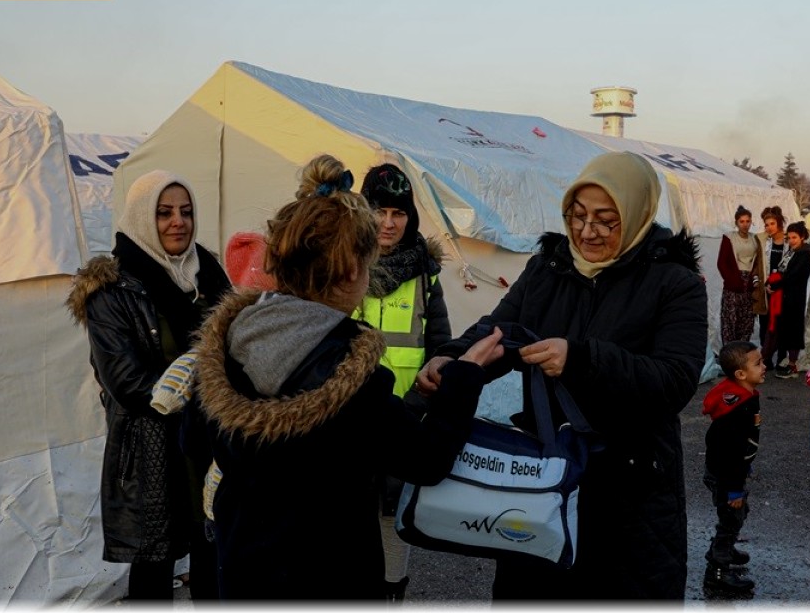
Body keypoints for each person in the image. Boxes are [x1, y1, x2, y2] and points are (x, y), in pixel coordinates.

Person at [187, 157, 505, 600]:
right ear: (355, 271)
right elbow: (426, 459)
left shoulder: (230, 342)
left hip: (244, 566)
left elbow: (192, 439)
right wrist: (466, 375)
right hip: (326, 574)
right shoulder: (348, 377)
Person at [416, 151, 708, 599]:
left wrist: (583, 358)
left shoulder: (674, 282)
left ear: (636, 215)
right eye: (577, 215)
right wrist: (453, 359)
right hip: (544, 479)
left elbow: (674, 379)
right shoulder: (548, 268)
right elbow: (500, 330)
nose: (586, 231)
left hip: (629, 491)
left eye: (606, 220)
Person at [67, 170, 232, 600]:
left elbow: (235, 347)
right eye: (163, 213)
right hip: (151, 451)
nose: (178, 222)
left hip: (205, 444)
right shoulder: (112, 291)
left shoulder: (209, 274)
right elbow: (126, 382)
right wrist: (201, 387)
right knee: (153, 575)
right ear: (143, 217)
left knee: (213, 561)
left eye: (186, 211)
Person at [353, 161, 451, 602]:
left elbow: (440, 348)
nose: (388, 223)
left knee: (393, 519)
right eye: (379, 211)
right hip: (348, 418)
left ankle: (392, 596)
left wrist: (418, 402)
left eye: (399, 213)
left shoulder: (426, 277)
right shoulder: (343, 266)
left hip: (405, 418)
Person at [701, 341, 766, 595]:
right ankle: (717, 571)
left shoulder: (744, 396)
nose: (764, 366)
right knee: (730, 520)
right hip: (727, 476)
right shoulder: (736, 410)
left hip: (731, 472)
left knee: (736, 515)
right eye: (758, 363)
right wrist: (734, 490)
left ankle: (724, 549)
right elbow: (729, 455)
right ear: (740, 374)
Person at [763, 221, 810, 379]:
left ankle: (791, 364)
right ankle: (766, 361)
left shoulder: (803, 255)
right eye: (789, 237)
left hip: (793, 299)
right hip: (783, 297)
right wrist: (769, 284)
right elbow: (781, 271)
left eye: (794, 237)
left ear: (802, 237)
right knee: (777, 330)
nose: (791, 240)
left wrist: (774, 285)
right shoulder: (792, 252)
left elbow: (792, 276)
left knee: (789, 331)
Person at [717, 205, 766, 345]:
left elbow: (757, 263)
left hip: (749, 282)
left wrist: (754, 280)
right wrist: (731, 280)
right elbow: (722, 262)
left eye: (748, 221)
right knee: (730, 319)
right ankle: (730, 352)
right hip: (734, 281)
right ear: (736, 223)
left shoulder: (755, 239)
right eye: (742, 221)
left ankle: (743, 352)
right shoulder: (729, 237)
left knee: (746, 319)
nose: (745, 225)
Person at [758, 206, 788, 367]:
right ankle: (766, 357)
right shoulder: (764, 242)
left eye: (772, 224)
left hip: (782, 288)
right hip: (767, 287)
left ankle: (782, 357)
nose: (769, 227)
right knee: (765, 322)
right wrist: (765, 284)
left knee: (780, 322)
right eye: (766, 224)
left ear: (779, 223)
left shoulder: (789, 242)